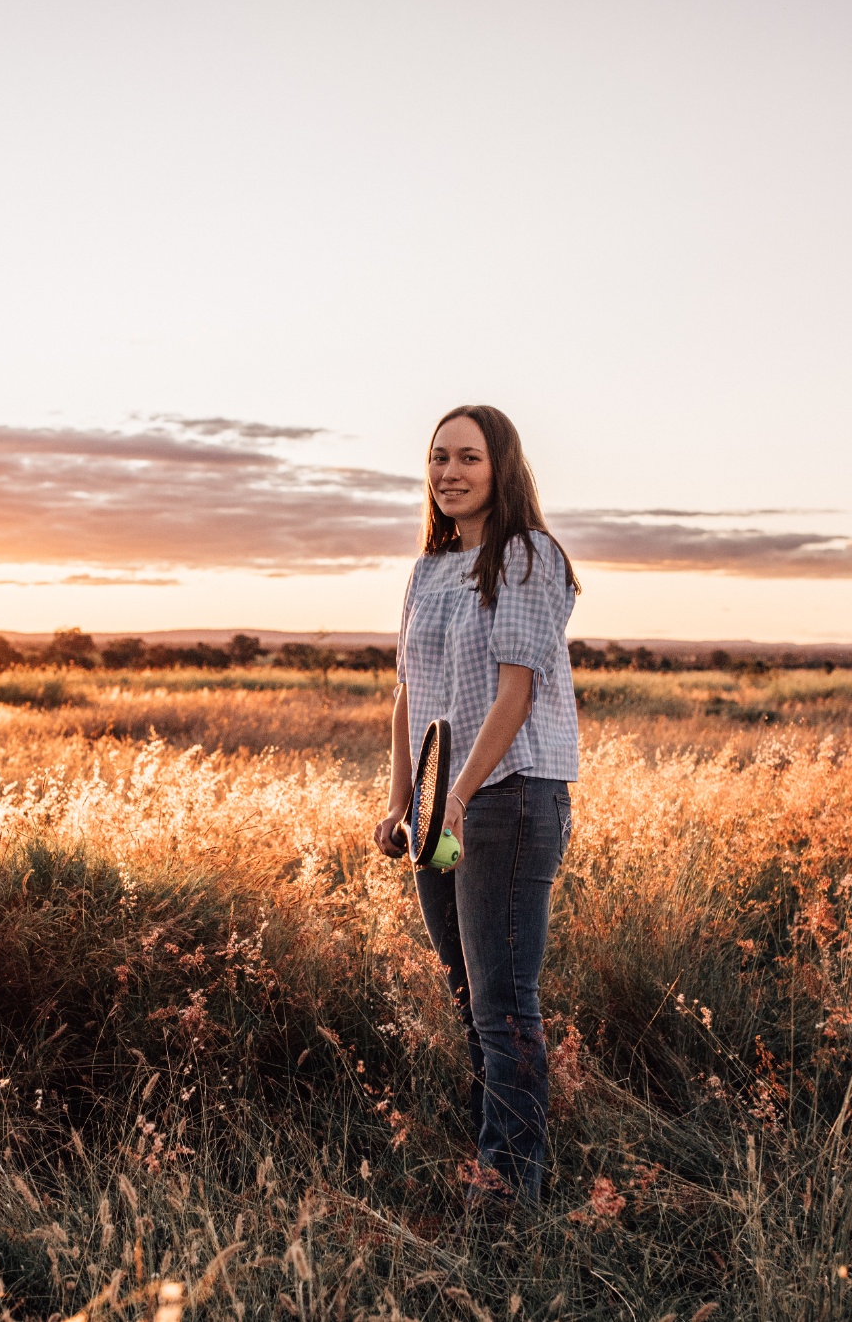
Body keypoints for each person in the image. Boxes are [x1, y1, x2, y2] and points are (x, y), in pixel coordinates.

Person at [374, 404, 580, 1210]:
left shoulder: (527, 556)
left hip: (509, 798)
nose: (449, 472)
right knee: (468, 994)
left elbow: (515, 694)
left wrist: (456, 795)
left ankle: (508, 1192)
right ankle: (487, 1158)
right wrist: (403, 798)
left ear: (502, 468)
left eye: (467, 457)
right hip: (442, 808)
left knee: (503, 1003)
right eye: (438, 458)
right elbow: (406, 693)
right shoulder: (428, 569)